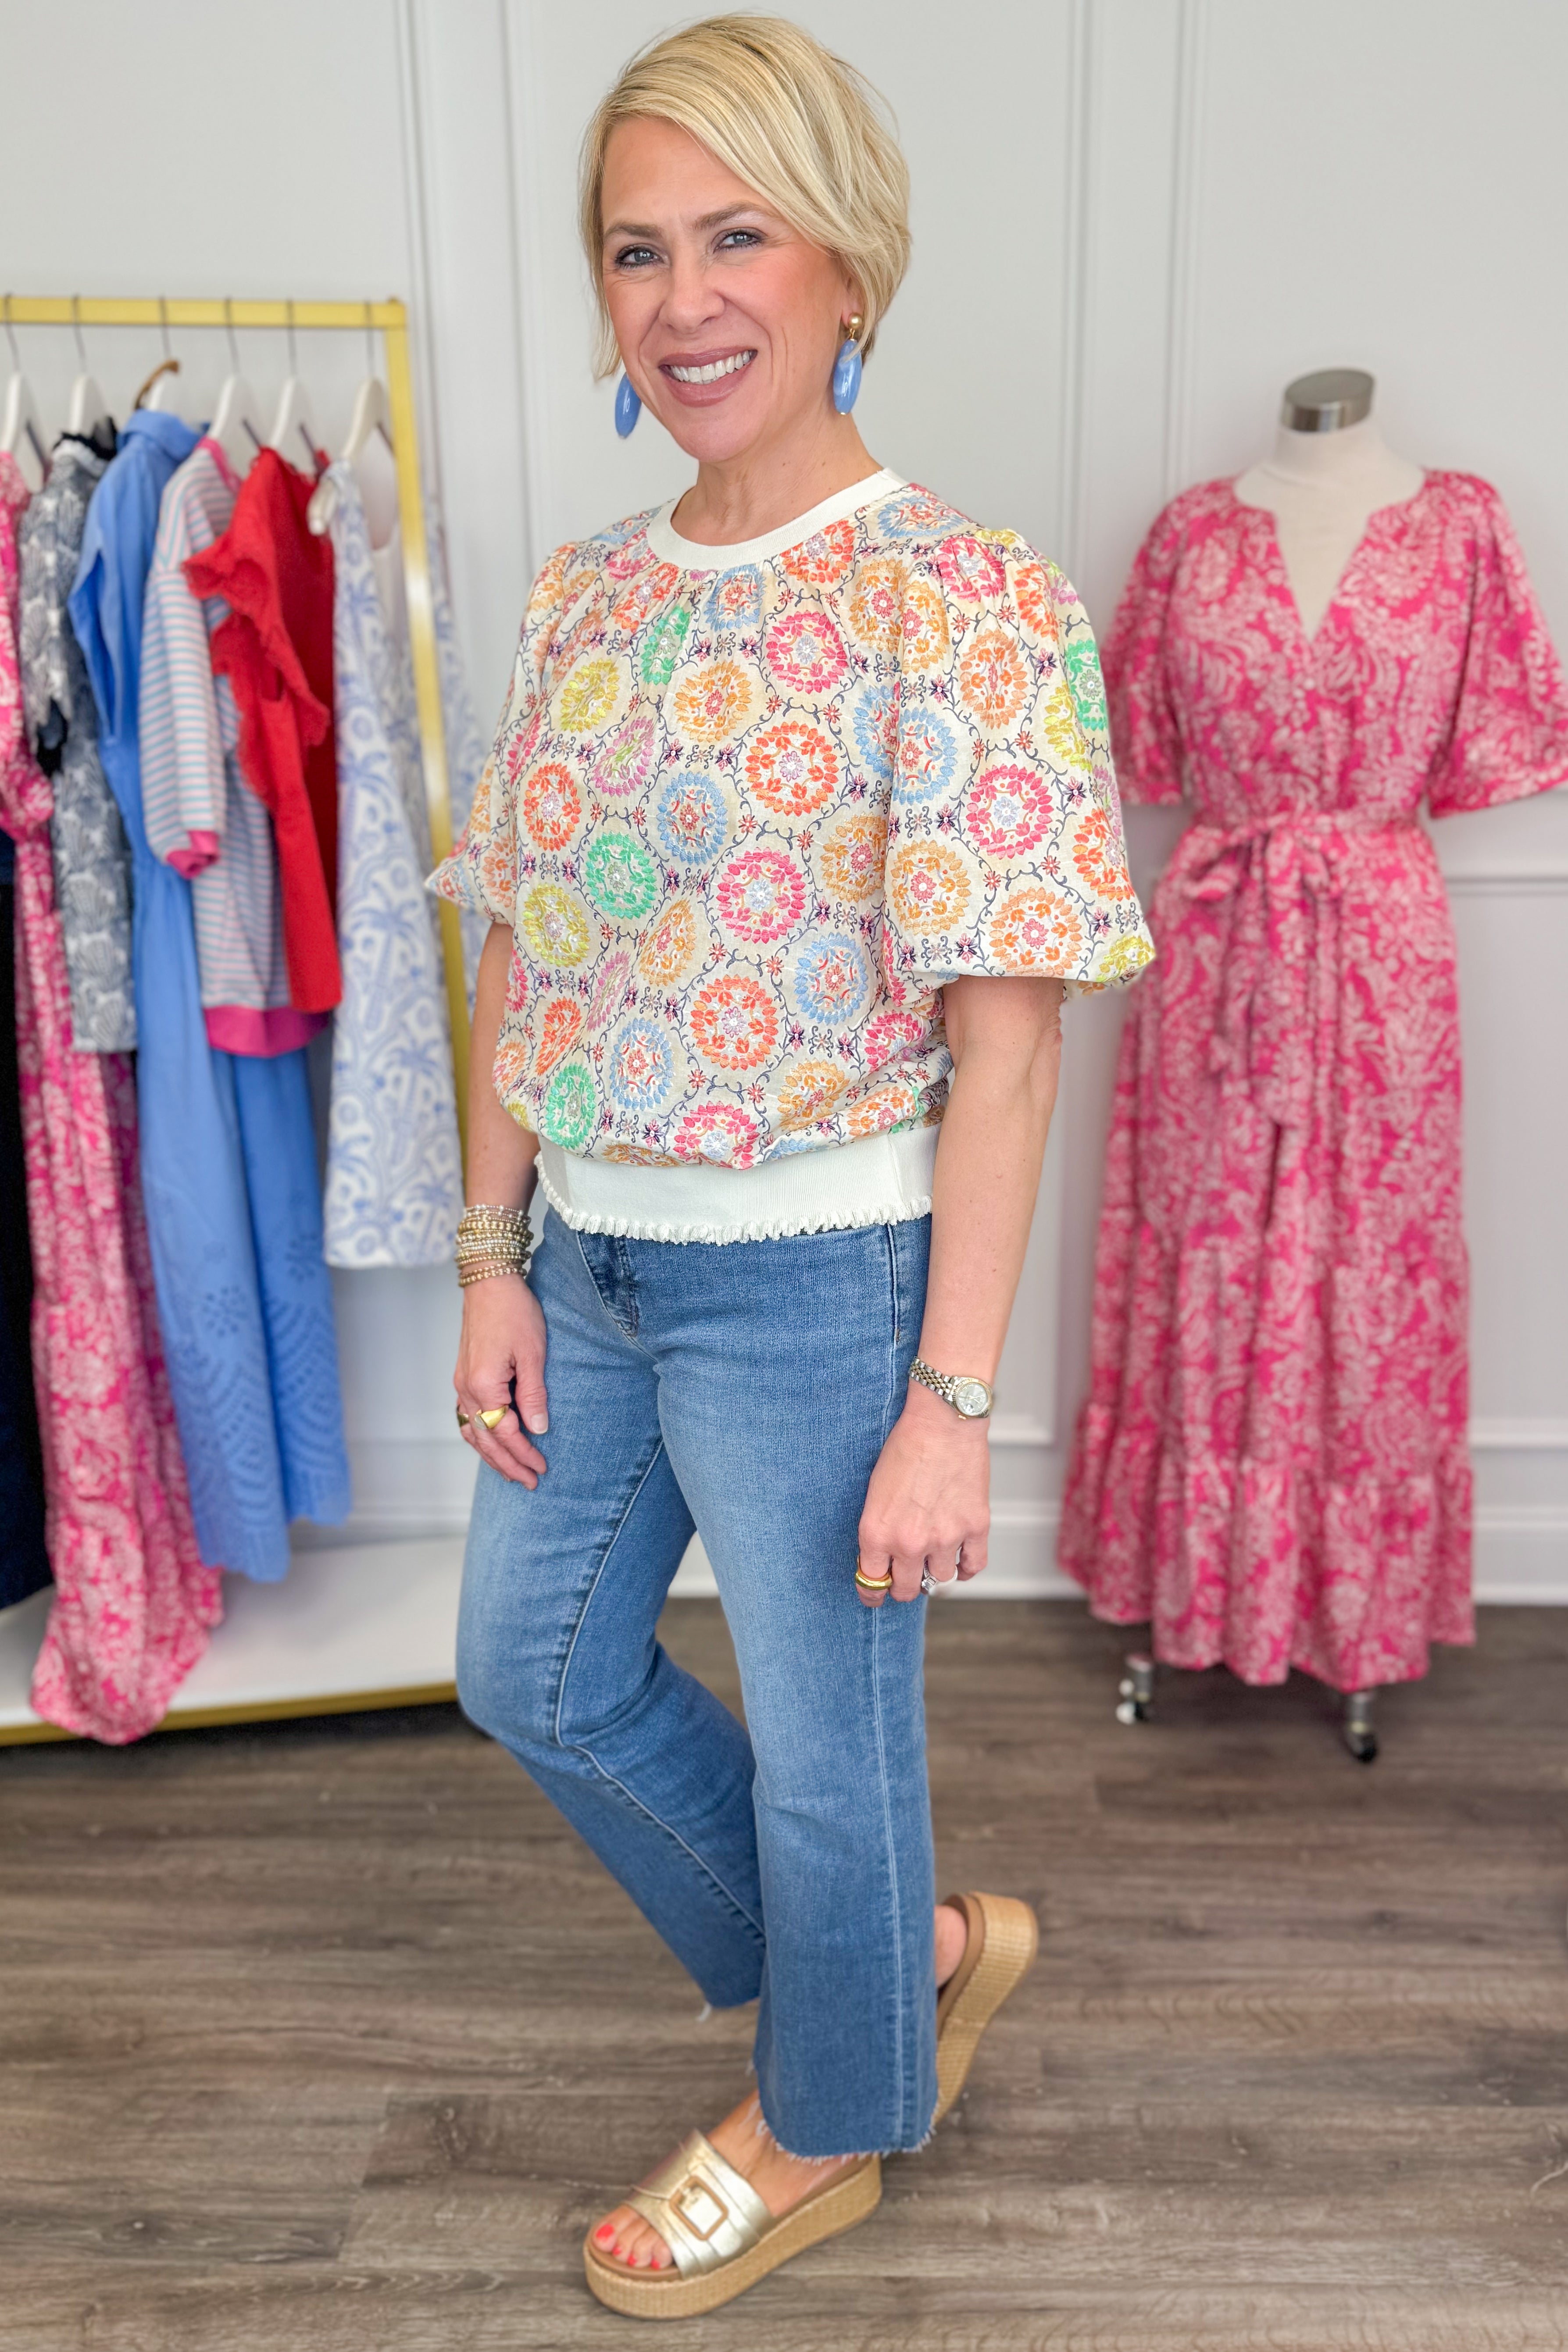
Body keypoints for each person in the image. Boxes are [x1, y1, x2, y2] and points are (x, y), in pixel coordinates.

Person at [430, 14, 1153, 2318]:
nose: (680, 295)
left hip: (823, 1282)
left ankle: (823, 2110)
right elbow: (523, 966)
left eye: (735, 232)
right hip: (591, 1259)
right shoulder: (582, 599)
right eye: (635, 249)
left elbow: (1007, 1039)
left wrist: (948, 1397)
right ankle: (900, 1963)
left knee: (837, 1766)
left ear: (850, 258)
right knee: (525, 1670)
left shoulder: (959, 593)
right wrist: (489, 1249)